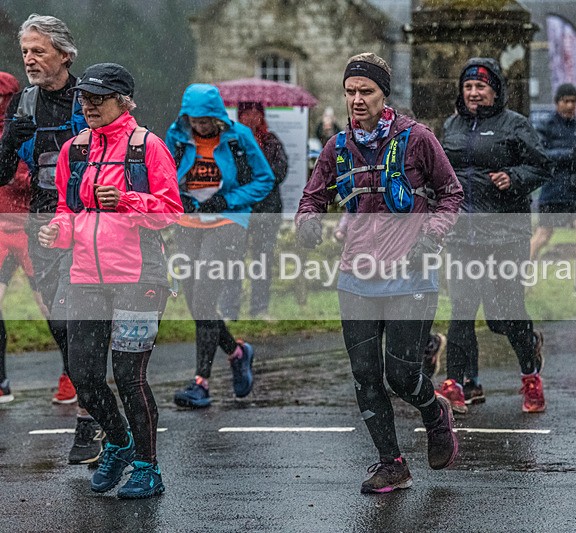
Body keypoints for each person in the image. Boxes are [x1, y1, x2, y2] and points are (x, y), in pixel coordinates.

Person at [296, 52, 462, 494]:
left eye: (365, 91)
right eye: (349, 92)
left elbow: (450, 193)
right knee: (365, 374)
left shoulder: (417, 138)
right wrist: (308, 223)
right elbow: (312, 198)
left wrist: (433, 234)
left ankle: (433, 411)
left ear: (383, 94)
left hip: (412, 274)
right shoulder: (336, 147)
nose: (356, 100)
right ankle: (392, 464)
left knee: (402, 377)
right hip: (356, 277)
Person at [38, 63, 182, 498]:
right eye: (84, 97)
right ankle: (119, 443)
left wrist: (126, 200)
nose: (89, 105)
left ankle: (147, 467)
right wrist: (57, 232)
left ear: (124, 101)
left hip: (139, 278)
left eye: (98, 98)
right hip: (83, 277)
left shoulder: (148, 147)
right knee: (84, 376)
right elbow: (68, 210)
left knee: (128, 376)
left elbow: (171, 212)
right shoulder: (75, 151)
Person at [0, 13, 105, 464]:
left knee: (80, 319)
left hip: (87, 221)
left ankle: (89, 418)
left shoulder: (90, 98)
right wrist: (8, 144)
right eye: (25, 51)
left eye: (39, 50)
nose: (30, 59)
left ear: (64, 54)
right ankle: (92, 395)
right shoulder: (22, 104)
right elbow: (2, 173)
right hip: (42, 223)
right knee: (61, 324)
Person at [436, 58, 551, 414]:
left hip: (505, 233)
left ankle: (530, 374)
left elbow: (541, 167)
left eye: (480, 87)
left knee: (508, 313)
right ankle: (455, 386)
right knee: (462, 309)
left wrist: (514, 178)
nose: (473, 93)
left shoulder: (515, 125)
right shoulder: (451, 126)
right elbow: (440, 171)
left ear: (495, 90)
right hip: (462, 235)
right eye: (468, 87)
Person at [166, 84, 274, 408]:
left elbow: (265, 179)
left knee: (203, 295)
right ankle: (237, 352)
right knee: (194, 300)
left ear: (216, 116)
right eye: (194, 120)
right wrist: (178, 196)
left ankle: (201, 382)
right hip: (189, 221)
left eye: (205, 121)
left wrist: (228, 199)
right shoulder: (176, 135)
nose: (200, 126)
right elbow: (165, 173)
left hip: (228, 221)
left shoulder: (238, 136)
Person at [529, 82, 576, 299]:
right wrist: (570, 154)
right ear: (557, 102)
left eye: (573, 101)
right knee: (542, 236)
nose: (569, 105)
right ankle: (520, 276)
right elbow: (542, 155)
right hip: (554, 189)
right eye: (565, 101)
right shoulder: (546, 126)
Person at [219, 102, 288, 320]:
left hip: (268, 209)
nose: (251, 117)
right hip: (240, 209)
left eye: (255, 113)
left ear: (262, 115)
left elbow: (280, 171)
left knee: (262, 260)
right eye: (246, 113)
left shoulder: (271, 141)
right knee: (233, 260)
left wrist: (259, 169)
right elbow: (229, 173)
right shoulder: (231, 141)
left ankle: (259, 309)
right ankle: (230, 309)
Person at [0, 71, 39, 403]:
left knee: (50, 308)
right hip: (0, 233)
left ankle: (73, 378)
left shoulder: (27, 126)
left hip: (29, 230)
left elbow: (36, 175)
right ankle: (1, 380)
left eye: (3, 98)